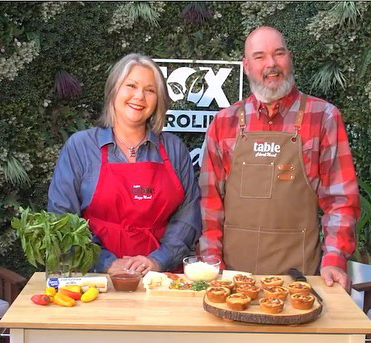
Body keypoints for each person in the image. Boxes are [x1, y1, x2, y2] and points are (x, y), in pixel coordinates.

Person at [199, 26, 360, 291]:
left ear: (290, 57)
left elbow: (341, 201)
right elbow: (209, 206)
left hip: (300, 280)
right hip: (232, 281)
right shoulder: (224, 123)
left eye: (279, 54)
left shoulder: (324, 117)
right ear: (246, 66)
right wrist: (211, 263)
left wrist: (334, 259)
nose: (271, 64)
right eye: (260, 56)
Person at [48, 53, 202, 275]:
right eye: (131, 85)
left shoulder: (174, 149)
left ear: (158, 100)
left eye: (150, 90)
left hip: (159, 279)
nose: (140, 96)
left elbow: (188, 216)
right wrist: (106, 263)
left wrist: (159, 260)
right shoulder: (80, 147)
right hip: (94, 278)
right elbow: (61, 217)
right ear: (113, 91)